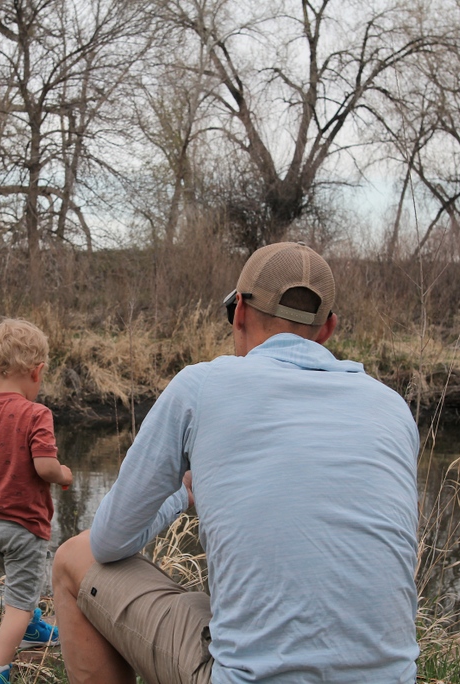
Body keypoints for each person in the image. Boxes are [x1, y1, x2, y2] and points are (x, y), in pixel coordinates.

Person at [52, 242, 419, 683]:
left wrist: (181, 494)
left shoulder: (201, 386)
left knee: (73, 557)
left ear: (239, 311)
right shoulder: (393, 408)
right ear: (328, 330)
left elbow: (109, 543)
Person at [0, 318, 74, 684]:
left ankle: (33, 628)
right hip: (25, 527)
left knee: (19, 583)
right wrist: (64, 474)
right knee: (18, 602)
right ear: (37, 373)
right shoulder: (37, 414)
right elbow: (44, 466)